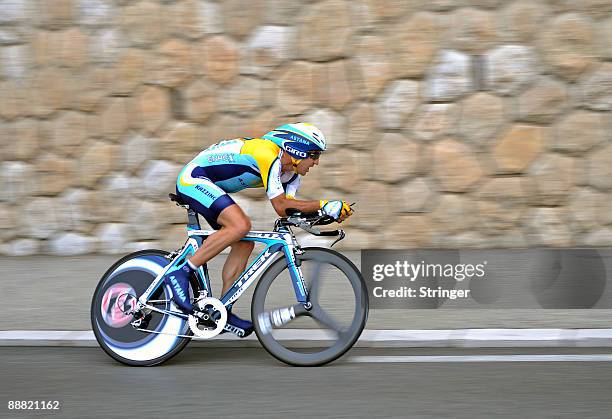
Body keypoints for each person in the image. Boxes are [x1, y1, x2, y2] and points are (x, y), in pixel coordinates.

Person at [163, 123, 353, 337]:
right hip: (193, 179)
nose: (316, 162)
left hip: (209, 185)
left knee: (244, 242)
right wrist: (323, 204)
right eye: (314, 154)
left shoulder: (290, 176)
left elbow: (288, 211)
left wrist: (327, 214)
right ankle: (181, 271)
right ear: (297, 149)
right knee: (240, 225)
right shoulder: (267, 153)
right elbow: (280, 205)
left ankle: (222, 311)